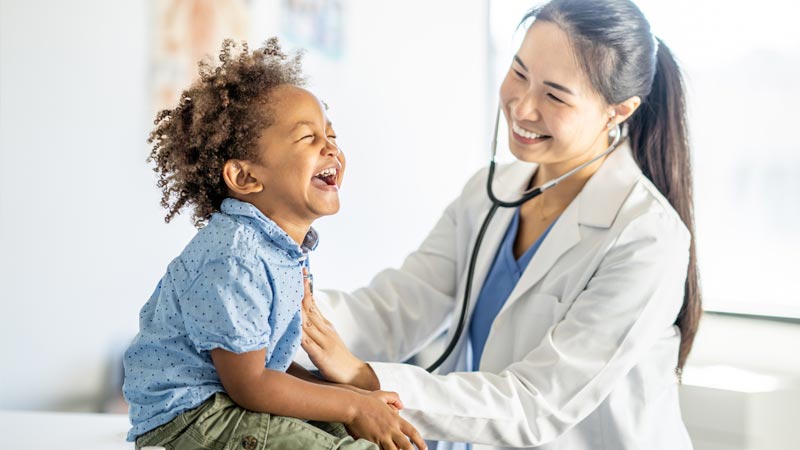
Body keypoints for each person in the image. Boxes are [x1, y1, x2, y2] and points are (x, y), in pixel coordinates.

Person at [299, 1, 701, 449]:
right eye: (519, 72)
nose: (523, 107)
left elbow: (537, 405)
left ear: (618, 111)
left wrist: (361, 376)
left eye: (554, 95)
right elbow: (400, 304)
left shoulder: (646, 238)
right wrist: (279, 306)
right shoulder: (489, 192)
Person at [122, 38, 425, 450]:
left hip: (230, 400)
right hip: (191, 418)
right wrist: (353, 406)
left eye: (330, 134)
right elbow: (251, 385)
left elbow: (266, 368)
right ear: (246, 178)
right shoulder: (235, 256)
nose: (330, 146)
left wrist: (356, 400)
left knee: (357, 429)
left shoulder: (282, 250)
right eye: (307, 138)